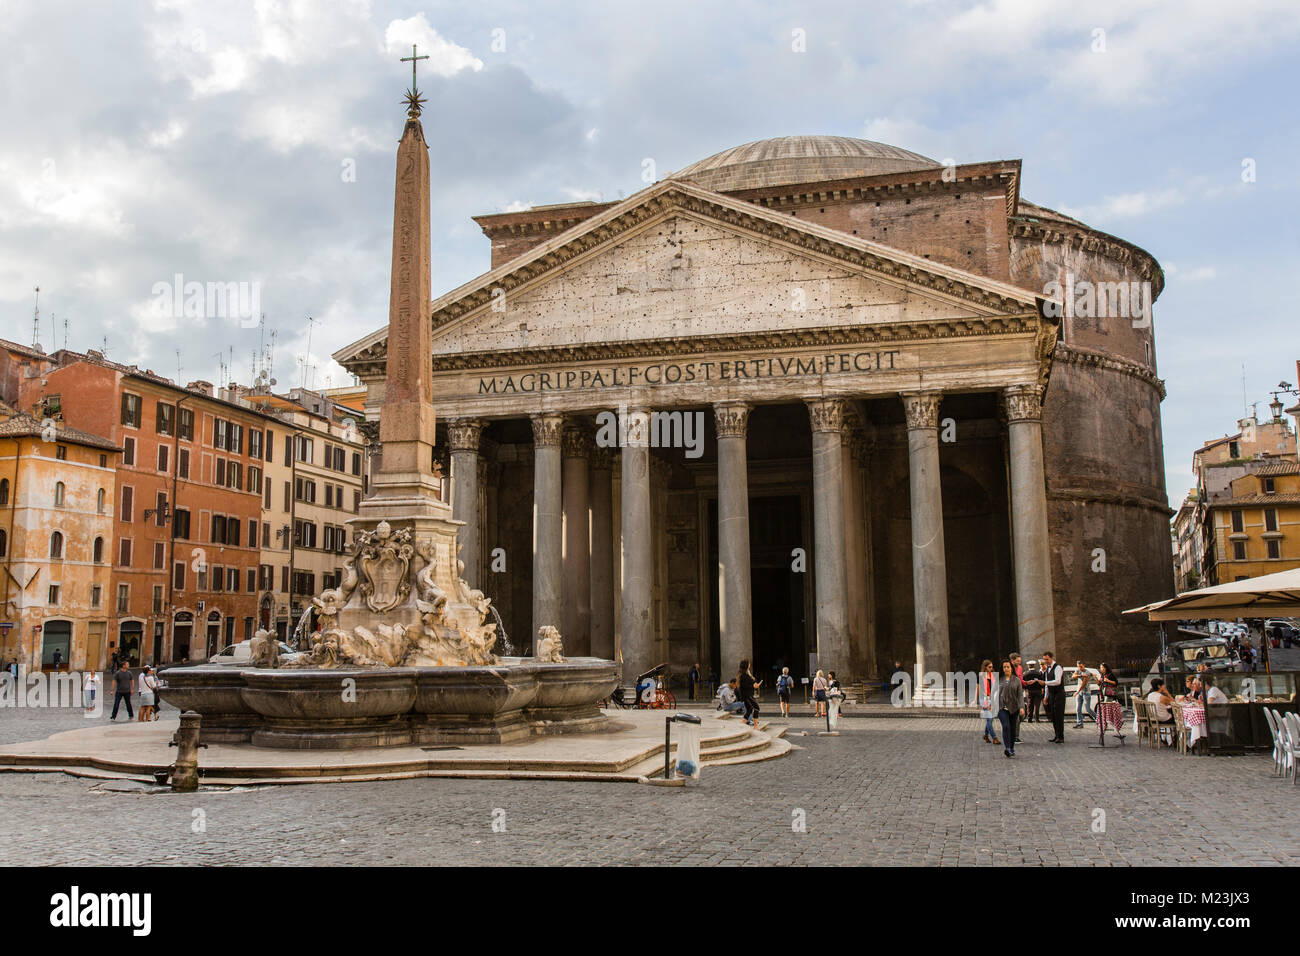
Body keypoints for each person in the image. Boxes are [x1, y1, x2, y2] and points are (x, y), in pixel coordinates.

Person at [996, 660, 1024, 758]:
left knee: (1012, 729)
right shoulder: (999, 680)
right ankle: (1007, 748)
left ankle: (1011, 748)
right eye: (1004, 667)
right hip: (1002, 707)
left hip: (1014, 707)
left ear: (1011, 668)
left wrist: (1021, 707)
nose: (1006, 669)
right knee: (1006, 726)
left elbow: (1020, 695)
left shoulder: (1017, 680)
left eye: (1008, 667)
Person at [1146, 678, 1176, 743]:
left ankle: (1167, 738)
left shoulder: (1149, 695)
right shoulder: (1161, 697)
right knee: (1178, 718)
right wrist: (1167, 693)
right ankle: (1175, 738)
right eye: (1163, 685)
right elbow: (1174, 703)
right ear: (1159, 686)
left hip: (1154, 718)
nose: (1165, 686)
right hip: (1163, 718)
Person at [978, 659, 1000, 744]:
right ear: (985, 667)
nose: (991, 668)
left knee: (990, 719)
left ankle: (985, 735)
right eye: (989, 667)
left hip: (993, 698)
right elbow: (979, 688)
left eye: (992, 667)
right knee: (990, 719)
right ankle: (994, 737)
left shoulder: (993, 676)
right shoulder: (981, 676)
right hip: (984, 698)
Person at [737, 659, 761, 727]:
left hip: (748, 695)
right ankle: (756, 726)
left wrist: (750, 675)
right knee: (756, 708)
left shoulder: (745, 674)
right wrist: (753, 685)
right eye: (749, 663)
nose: (750, 664)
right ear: (746, 665)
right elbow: (744, 686)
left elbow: (753, 681)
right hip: (747, 696)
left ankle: (742, 725)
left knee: (749, 709)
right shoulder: (743, 675)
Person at [1073, 662, 1095, 728]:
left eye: (1081, 666)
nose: (1080, 668)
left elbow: (1083, 684)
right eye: (1078, 666)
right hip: (1079, 693)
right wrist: (1081, 675)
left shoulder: (1087, 672)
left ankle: (1099, 720)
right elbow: (1073, 676)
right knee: (1078, 709)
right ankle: (1080, 723)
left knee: (1088, 709)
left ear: (1084, 666)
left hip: (1086, 692)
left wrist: (1077, 691)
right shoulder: (1077, 670)